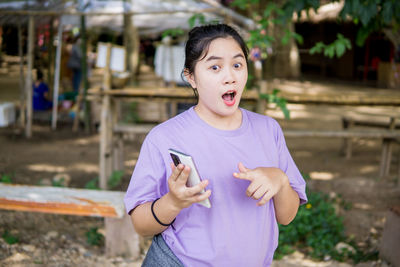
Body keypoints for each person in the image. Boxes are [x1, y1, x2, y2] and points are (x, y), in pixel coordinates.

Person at [124, 24, 307, 266]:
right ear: (191, 78)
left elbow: (286, 216)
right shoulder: (164, 137)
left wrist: (280, 180)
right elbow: (140, 224)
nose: (230, 76)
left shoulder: (268, 130)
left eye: (237, 65)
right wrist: (173, 202)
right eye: (215, 67)